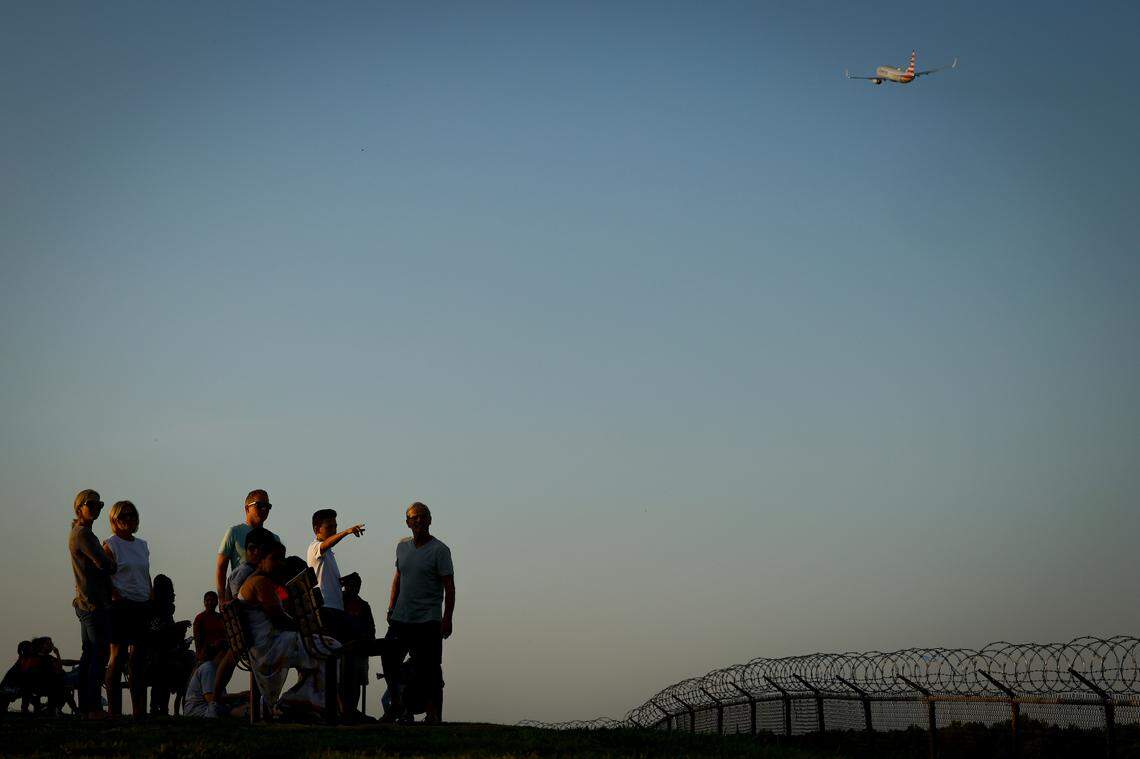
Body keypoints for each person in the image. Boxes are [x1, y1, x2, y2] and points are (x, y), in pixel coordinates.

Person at [238, 541, 338, 715]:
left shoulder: (257, 581)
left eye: (281, 559)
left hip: (266, 646)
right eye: (275, 558)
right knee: (331, 647)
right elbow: (279, 618)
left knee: (322, 646)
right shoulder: (260, 582)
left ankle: (304, 700)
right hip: (269, 648)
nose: (280, 563)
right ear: (261, 560)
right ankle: (299, 700)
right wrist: (306, 629)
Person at [380, 502, 455, 724]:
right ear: (407, 522)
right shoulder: (402, 547)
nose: (419, 521)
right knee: (389, 657)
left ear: (430, 520)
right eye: (414, 517)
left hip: (428, 618)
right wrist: (391, 606)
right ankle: (396, 704)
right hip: (401, 617)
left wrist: (447, 618)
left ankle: (432, 713)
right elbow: (398, 577)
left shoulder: (440, 550)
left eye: (423, 516)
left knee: (428, 668)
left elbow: (449, 586)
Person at [69, 488, 116, 720]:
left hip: (86, 602)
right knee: (98, 656)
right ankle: (94, 708)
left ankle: (86, 708)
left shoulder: (80, 533)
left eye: (99, 504)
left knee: (89, 656)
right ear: (80, 507)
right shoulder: (84, 535)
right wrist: (112, 561)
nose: (96, 508)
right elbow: (105, 565)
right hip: (93, 603)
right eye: (91, 504)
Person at [102, 500, 152, 718]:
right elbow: (105, 576)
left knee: (139, 660)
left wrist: (150, 596)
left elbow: (145, 573)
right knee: (118, 656)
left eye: (132, 515)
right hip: (121, 605)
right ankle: (114, 711)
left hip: (142, 603)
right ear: (114, 519)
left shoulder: (142, 545)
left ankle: (139, 711)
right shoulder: (111, 545)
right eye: (124, 516)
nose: (129, 519)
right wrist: (116, 596)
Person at [216, 489, 281, 603]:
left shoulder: (274, 538)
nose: (264, 509)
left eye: (267, 506)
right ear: (247, 508)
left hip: (266, 597)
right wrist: (222, 599)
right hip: (242, 597)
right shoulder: (234, 532)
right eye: (259, 505)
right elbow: (221, 568)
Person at [145, 574, 194, 715]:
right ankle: (159, 707)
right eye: (171, 591)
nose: (173, 594)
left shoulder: (166, 611)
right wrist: (176, 629)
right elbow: (156, 635)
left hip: (166, 652)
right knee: (164, 664)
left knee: (189, 658)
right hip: (154, 656)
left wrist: (179, 634)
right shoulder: (153, 610)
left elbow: (169, 636)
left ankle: (167, 706)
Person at [182, 641, 247, 718]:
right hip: (200, 711)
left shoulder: (213, 669)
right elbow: (211, 699)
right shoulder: (208, 668)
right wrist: (241, 695)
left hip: (204, 709)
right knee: (241, 709)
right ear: (222, 654)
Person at [340, 572, 375, 714]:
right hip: (342, 650)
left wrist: (366, 643)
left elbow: (371, 629)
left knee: (356, 683)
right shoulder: (339, 603)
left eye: (357, 586)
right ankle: (343, 710)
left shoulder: (364, 606)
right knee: (342, 681)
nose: (354, 589)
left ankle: (352, 710)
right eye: (352, 585)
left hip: (359, 651)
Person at [193, 592, 225, 663]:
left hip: (221, 652)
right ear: (204, 602)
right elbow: (197, 638)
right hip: (206, 654)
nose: (210, 602)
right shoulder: (200, 618)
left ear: (216, 602)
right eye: (207, 600)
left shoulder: (221, 617)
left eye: (212, 600)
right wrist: (199, 655)